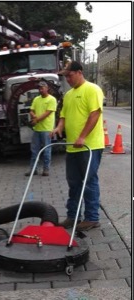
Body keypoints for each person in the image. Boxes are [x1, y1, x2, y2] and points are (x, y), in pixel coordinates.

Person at [50, 61, 104, 231]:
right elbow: (64, 116)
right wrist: (59, 127)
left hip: (90, 146)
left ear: (79, 72)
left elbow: (95, 114)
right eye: (65, 76)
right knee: (73, 183)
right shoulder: (68, 95)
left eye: (69, 75)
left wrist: (82, 137)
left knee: (89, 181)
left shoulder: (92, 89)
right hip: (72, 146)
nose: (67, 79)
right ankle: (73, 217)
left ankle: (92, 218)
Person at [25, 81, 57, 176]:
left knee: (46, 150)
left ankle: (46, 169)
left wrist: (36, 120)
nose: (40, 89)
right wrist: (34, 116)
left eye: (42, 88)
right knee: (34, 150)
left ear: (47, 88)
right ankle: (33, 169)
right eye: (39, 88)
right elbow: (31, 110)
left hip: (47, 128)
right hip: (37, 129)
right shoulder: (36, 99)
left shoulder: (52, 99)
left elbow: (47, 113)